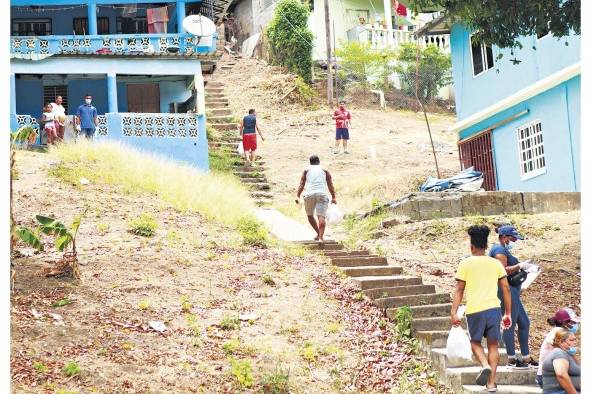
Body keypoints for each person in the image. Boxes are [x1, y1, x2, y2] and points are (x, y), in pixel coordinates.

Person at [451, 225, 512, 391]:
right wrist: (507, 313)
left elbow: (459, 289)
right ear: (486, 246)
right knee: (493, 345)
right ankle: (491, 383)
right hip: (493, 309)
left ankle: (484, 364)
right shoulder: (496, 264)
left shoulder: (465, 263)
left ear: (471, 247)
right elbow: (506, 288)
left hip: (475, 310)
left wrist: (454, 312)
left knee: (475, 343)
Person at [489, 225, 538, 369]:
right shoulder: (498, 250)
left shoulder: (503, 250)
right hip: (506, 290)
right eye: (512, 239)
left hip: (514, 291)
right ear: (504, 237)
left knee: (524, 322)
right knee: (509, 322)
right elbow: (502, 271)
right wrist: (520, 266)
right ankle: (511, 359)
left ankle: (526, 358)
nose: (514, 242)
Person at [295, 155, 337, 241]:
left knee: (310, 215)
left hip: (309, 194)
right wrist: (333, 197)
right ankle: (321, 238)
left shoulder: (306, 170)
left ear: (310, 162)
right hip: (321, 194)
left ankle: (318, 233)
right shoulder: (324, 170)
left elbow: (302, 184)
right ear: (319, 162)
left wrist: (297, 196)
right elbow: (330, 185)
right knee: (321, 216)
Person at [536, 308, 580, 388]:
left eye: (574, 322)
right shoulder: (557, 331)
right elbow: (560, 347)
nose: (573, 324)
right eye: (571, 322)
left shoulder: (564, 333)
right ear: (562, 322)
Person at [541, 328, 580, 393]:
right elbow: (561, 374)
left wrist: (573, 355)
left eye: (575, 339)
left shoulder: (568, 354)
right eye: (572, 340)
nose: (575, 342)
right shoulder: (558, 353)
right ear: (561, 342)